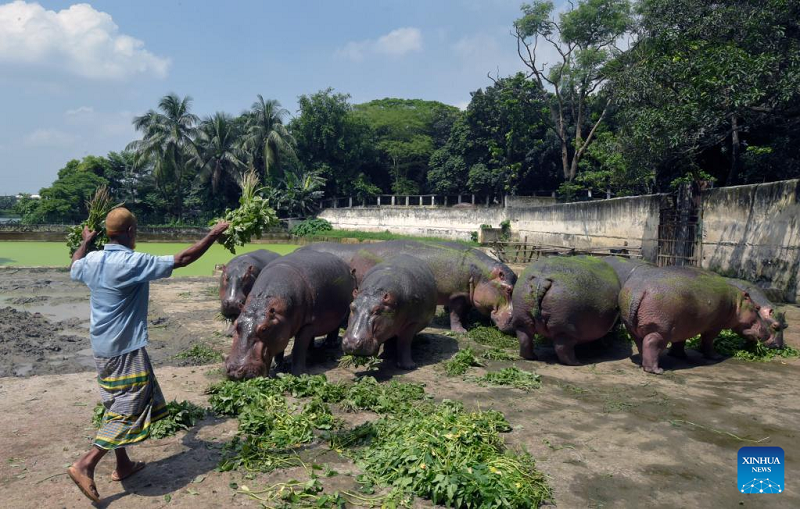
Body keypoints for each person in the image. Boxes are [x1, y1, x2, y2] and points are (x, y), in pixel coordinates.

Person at [66, 207, 229, 503]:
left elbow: (75, 262)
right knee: (130, 406)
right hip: (125, 347)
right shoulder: (131, 261)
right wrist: (214, 234)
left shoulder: (92, 259)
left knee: (115, 402)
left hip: (101, 346)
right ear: (130, 233)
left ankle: (123, 464)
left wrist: (85, 241)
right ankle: (85, 463)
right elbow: (182, 259)